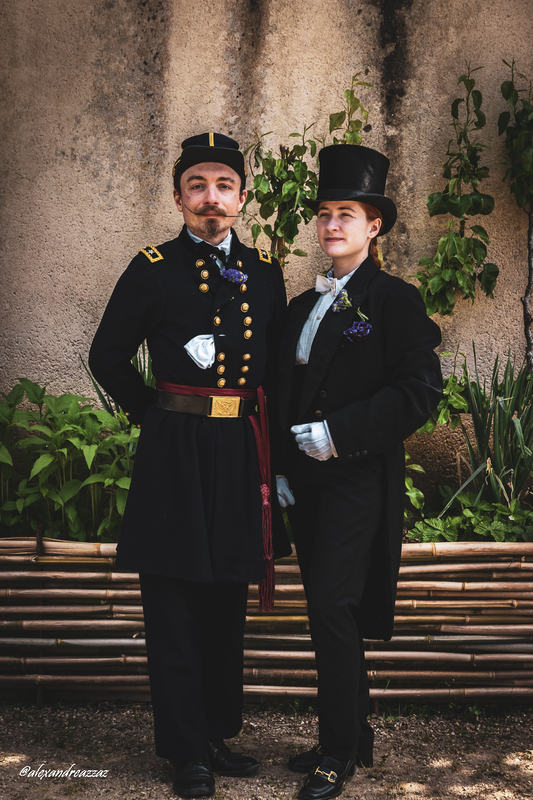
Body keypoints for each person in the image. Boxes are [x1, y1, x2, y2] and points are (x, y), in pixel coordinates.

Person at [89, 132, 291, 799]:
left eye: (224, 185)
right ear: (178, 196)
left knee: (225, 593)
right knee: (173, 596)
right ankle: (184, 752)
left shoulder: (264, 270)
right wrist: (153, 413)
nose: (211, 197)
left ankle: (213, 733)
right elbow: (108, 356)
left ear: (241, 197)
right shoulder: (151, 267)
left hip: (240, 451)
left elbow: (276, 372)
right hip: (174, 451)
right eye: (198, 184)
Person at [276, 144, 442, 800]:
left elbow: (419, 391)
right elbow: (285, 394)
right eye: (323, 214)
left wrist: (338, 434)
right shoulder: (298, 308)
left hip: (355, 480)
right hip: (307, 485)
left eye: (346, 213)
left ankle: (336, 754)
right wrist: (284, 468)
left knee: (331, 608)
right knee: (329, 611)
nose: (330, 226)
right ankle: (355, 734)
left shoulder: (393, 300)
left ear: (374, 226)